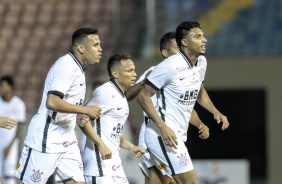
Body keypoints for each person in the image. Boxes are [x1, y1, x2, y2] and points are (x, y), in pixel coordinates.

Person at [137, 21, 230, 184]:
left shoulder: (201, 62)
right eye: (198, 36)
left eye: (204, 36)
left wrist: (215, 111)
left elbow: (197, 91)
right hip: (162, 136)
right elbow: (142, 96)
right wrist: (163, 127)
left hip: (178, 134)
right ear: (185, 42)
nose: (205, 40)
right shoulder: (169, 66)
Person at [15, 27, 103, 184]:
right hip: (46, 140)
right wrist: (85, 109)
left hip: (67, 138)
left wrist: (77, 114)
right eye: (95, 45)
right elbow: (52, 101)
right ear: (81, 47)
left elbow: (66, 102)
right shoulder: (66, 66)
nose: (100, 49)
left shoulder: (78, 69)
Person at [127, 32, 209, 184]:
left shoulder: (184, 73)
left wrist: (200, 124)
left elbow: (185, 107)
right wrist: (145, 80)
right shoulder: (157, 71)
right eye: (177, 47)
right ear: (165, 52)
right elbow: (128, 95)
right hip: (157, 133)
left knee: (161, 181)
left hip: (172, 134)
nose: (181, 50)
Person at [78, 54, 145, 184]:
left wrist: (131, 147)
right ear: (115, 73)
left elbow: (112, 133)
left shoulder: (121, 97)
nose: (134, 74)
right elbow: (83, 120)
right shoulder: (104, 92)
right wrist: (101, 145)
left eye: (134, 70)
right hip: (99, 165)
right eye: (129, 70)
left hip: (115, 164)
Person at [0, 76, 26, 184]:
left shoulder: (18, 104)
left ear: (10, 87)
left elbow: (19, 127)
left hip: (11, 144)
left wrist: (10, 145)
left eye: (2, 86)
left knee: (9, 174)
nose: (1, 88)